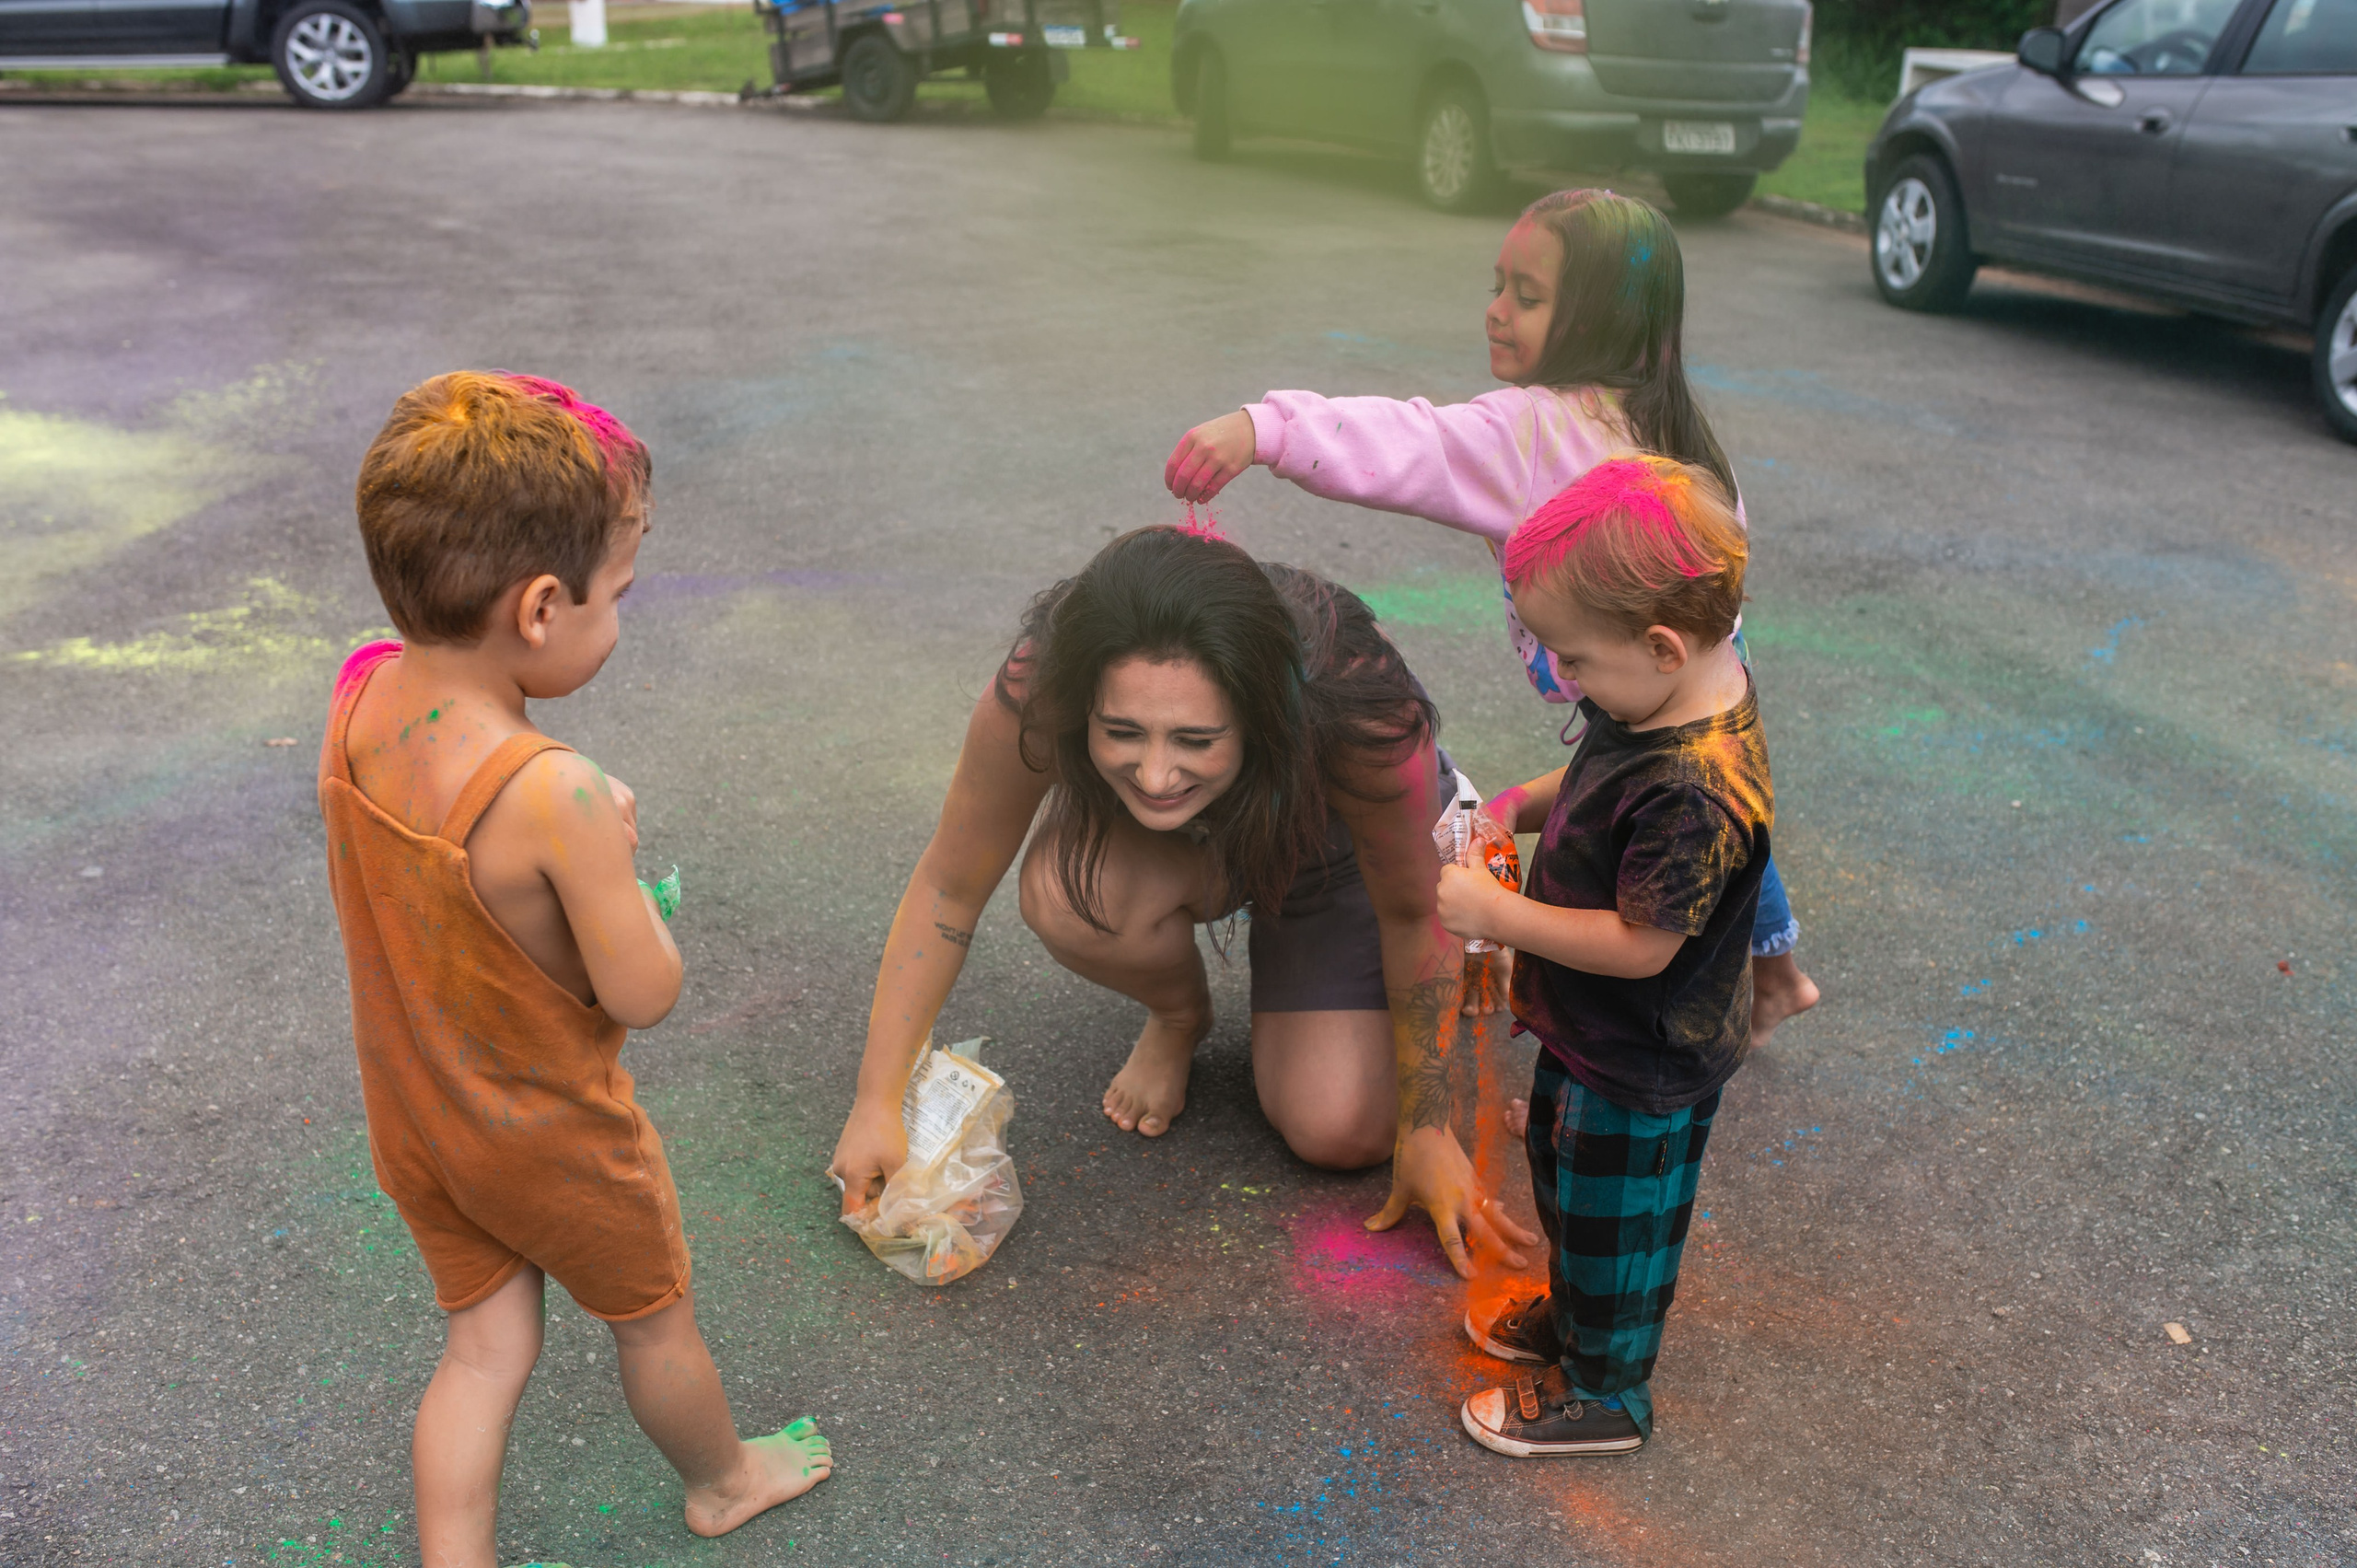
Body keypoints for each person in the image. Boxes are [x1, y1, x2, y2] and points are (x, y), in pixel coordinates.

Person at [319, 372, 830, 1564]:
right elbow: (642, 989)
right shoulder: (557, 793)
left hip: (419, 1113)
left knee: (485, 1351)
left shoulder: (359, 690)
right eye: (624, 592)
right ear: (543, 607)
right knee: (654, 1325)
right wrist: (623, 866)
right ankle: (725, 1477)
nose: (623, 615)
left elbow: (444, 884)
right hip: (550, 1136)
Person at [1163, 187, 1819, 1047]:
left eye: (1528, 296)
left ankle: (1586, 1024)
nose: (1496, 311)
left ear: (1601, 317)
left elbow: (1405, 444)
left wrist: (1265, 429)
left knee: (1629, 836)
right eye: (1497, 284)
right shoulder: (1676, 421)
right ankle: (1777, 974)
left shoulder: (1532, 430)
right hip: (1707, 662)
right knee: (1724, 803)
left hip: (1636, 680)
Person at [827, 524, 1540, 1277]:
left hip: (1330, 854)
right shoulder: (1043, 681)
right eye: (1123, 731)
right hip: (1194, 840)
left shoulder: (1362, 711)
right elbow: (950, 884)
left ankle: (1450, 811)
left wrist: (1428, 1128)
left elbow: (1408, 913)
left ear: (1259, 713)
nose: (1158, 772)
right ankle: (1178, 1014)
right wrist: (876, 1100)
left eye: (1195, 738)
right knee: (1069, 893)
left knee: (1341, 1131)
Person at [1435, 456, 1768, 1457]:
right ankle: (1580, 1324)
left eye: (1573, 662)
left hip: (1643, 1051)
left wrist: (1496, 908)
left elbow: (1639, 946)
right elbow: (1590, 765)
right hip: (1596, 1037)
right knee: (1568, 1182)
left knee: (1619, 1221)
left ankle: (1607, 1394)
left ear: (1661, 644)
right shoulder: (1651, 699)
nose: (1563, 681)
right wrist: (1517, 808)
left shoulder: (1695, 787)